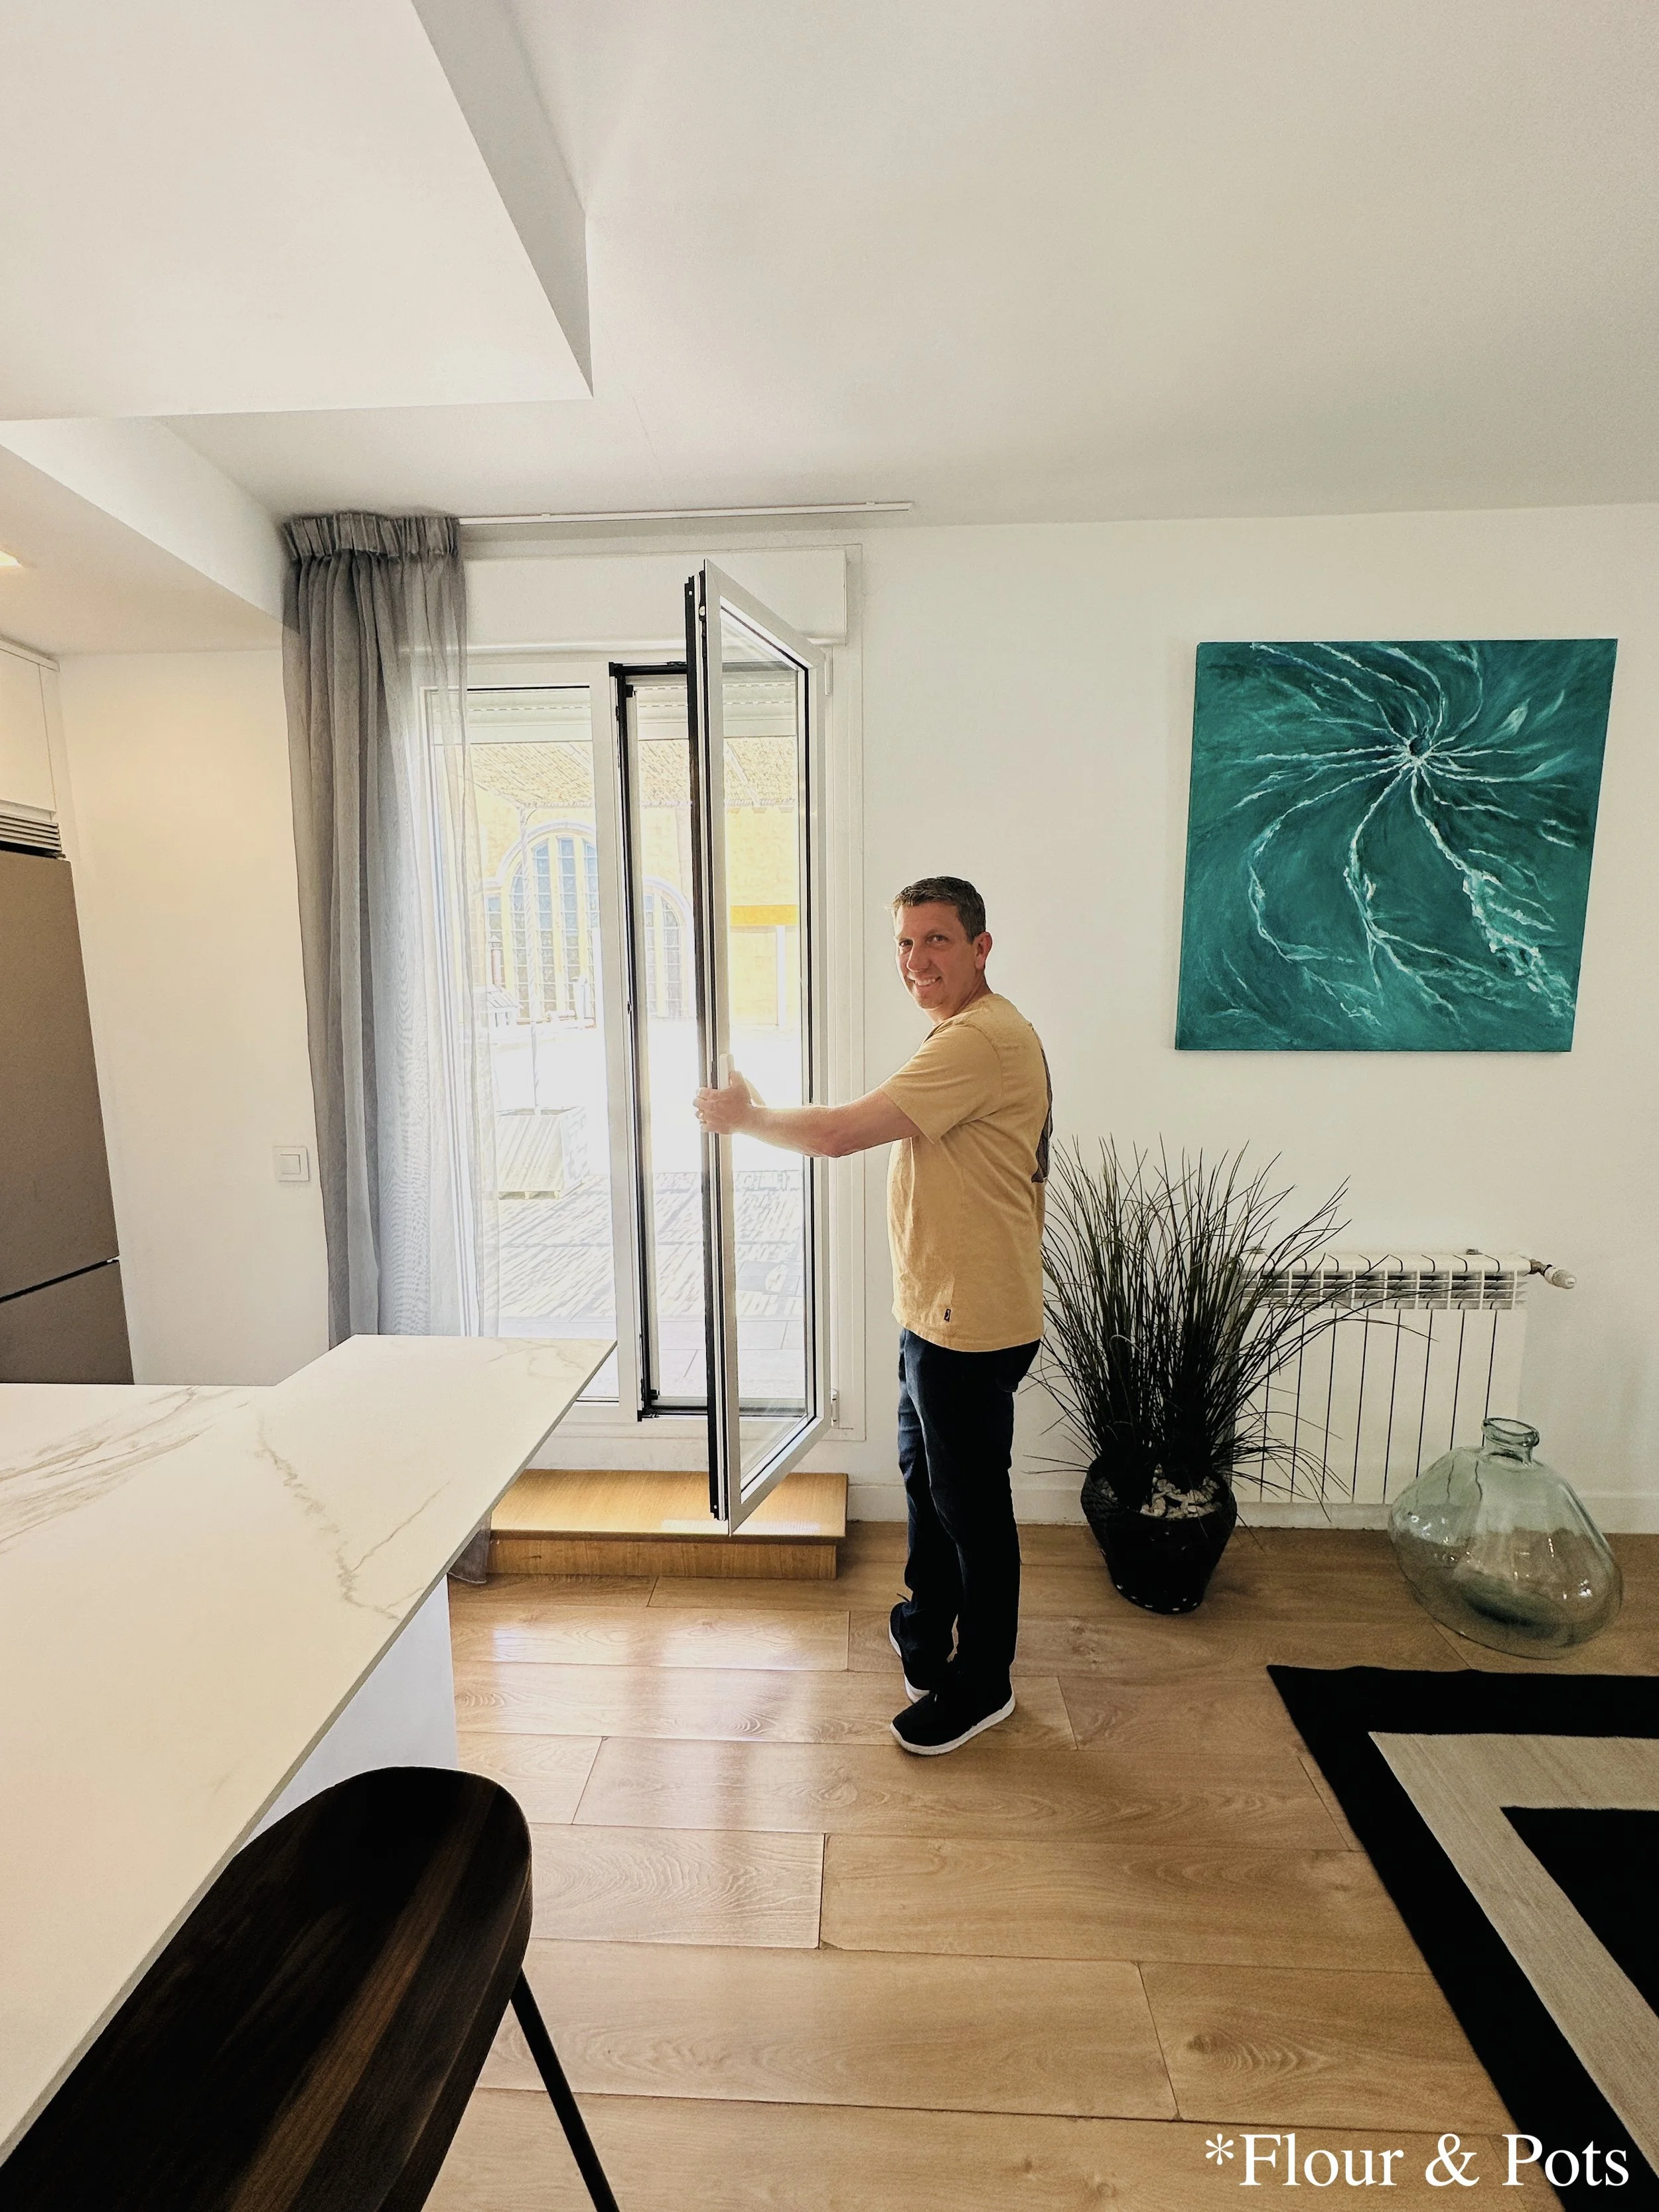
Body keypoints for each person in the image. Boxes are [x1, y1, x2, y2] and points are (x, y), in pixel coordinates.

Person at [694, 874, 1051, 1755]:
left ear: (980, 947)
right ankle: (926, 1626)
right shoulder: (967, 1037)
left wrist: (744, 1118)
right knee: (927, 1481)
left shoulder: (979, 1041)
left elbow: (838, 1134)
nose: (916, 960)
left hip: (970, 1324)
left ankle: (984, 1684)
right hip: (937, 1312)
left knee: (971, 1508)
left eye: (935, 940)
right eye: (904, 943)